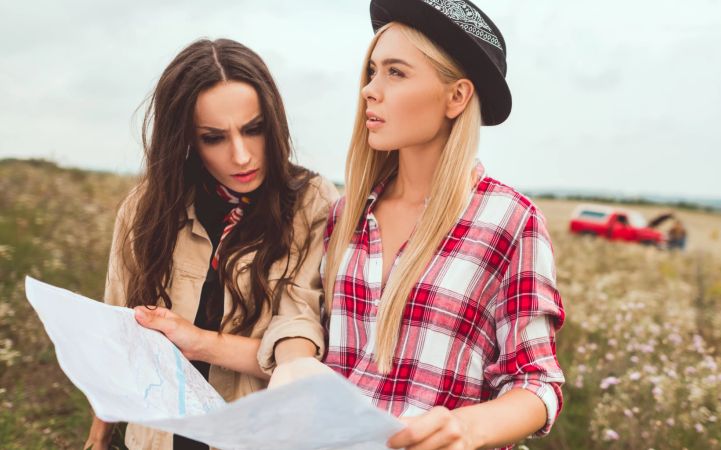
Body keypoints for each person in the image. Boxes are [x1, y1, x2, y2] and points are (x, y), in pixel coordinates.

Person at [318, 1, 565, 448]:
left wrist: (468, 428)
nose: (370, 91)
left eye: (396, 73)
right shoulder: (344, 216)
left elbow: (538, 383)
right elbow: (315, 349)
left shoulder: (510, 222)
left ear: (457, 97)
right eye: (372, 71)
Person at [83, 38, 337, 450]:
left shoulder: (312, 203)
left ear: (273, 123)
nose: (241, 156)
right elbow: (119, 336)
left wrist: (199, 341)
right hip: (156, 438)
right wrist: (98, 438)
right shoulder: (146, 208)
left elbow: (304, 339)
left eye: (253, 130)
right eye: (214, 138)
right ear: (186, 138)